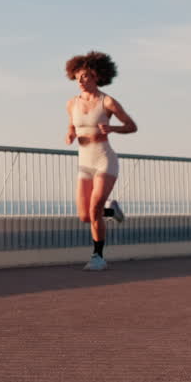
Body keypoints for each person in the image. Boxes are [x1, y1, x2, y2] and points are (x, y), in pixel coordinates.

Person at [64, 51, 137, 271]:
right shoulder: (71, 104)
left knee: (94, 207)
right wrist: (70, 134)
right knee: (85, 215)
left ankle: (98, 256)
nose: (80, 81)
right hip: (84, 163)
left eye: (85, 76)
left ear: (96, 76)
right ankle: (111, 211)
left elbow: (131, 126)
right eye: (77, 77)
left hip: (105, 160)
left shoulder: (108, 102)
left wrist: (112, 128)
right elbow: (72, 124)